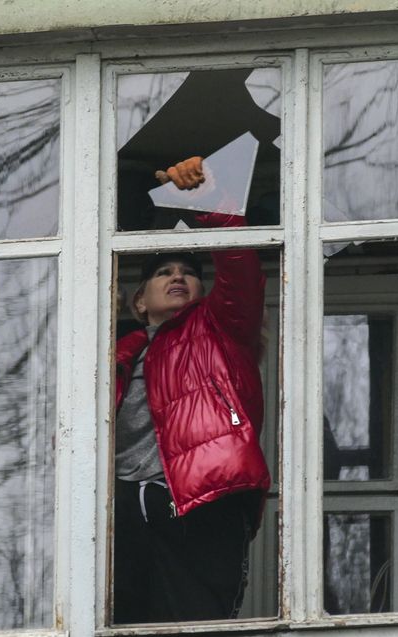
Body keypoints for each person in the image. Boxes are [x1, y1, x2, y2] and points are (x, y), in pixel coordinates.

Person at [113, 157, 271, 624]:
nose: (177, 276)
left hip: (200, 499)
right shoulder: (118, 356)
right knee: (119, 621)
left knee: (198, 619)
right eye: (164, 273)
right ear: (139, 301)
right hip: (124, 504)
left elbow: (241, 273)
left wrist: (210, 203)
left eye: (188, 271)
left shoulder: (219, 328)